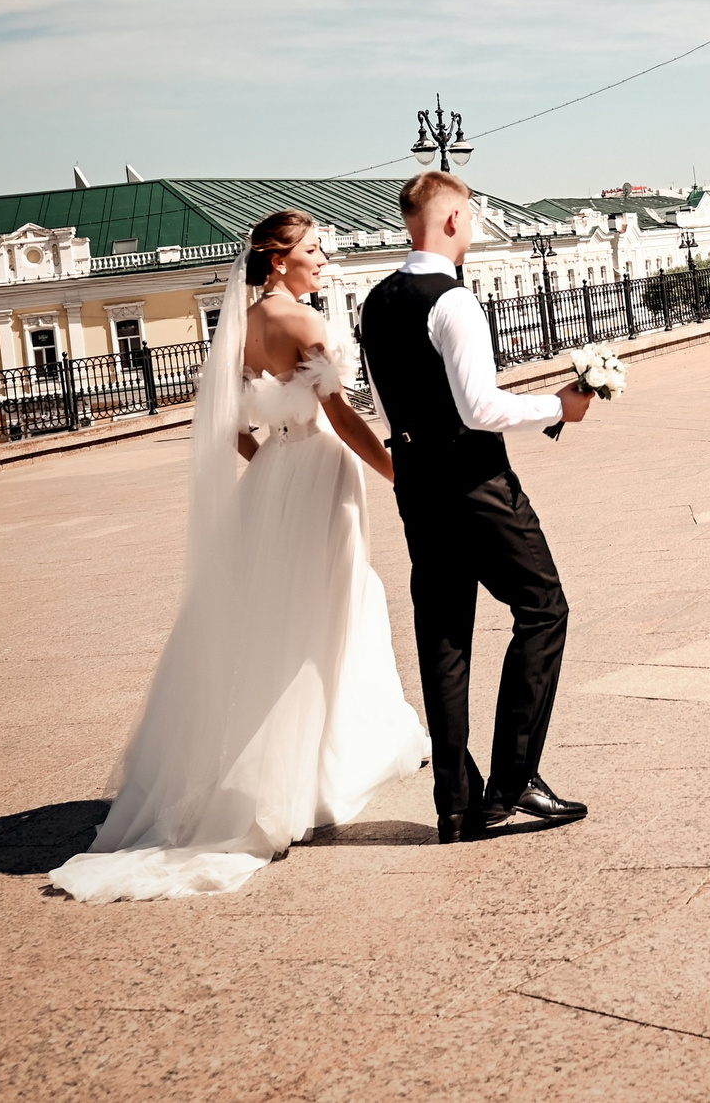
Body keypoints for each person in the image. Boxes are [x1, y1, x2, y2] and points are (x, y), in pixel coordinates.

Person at [49, 210, 427, 901]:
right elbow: (342, 417)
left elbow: (226, 423)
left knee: (282, 618)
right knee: (330, 614)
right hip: (319, 470)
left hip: (278, 475)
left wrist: (271, 459)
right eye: (314, 250)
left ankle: (293, 768)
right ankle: (307, 779)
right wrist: (398, 472)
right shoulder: (306, 324)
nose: (324, 259)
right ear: (279, 261)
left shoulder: (240, 328)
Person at [358, 170, 595, 844]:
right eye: (474, 214)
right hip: (478, 486)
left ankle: (456, 807)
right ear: (453, 220)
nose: (478, 225)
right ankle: (514, 785)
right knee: (544, 608)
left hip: (417, 489)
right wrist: (561, 406)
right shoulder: (452, 301)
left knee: (445, 637)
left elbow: (383, 405)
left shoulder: (373, 304)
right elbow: (481, 407)